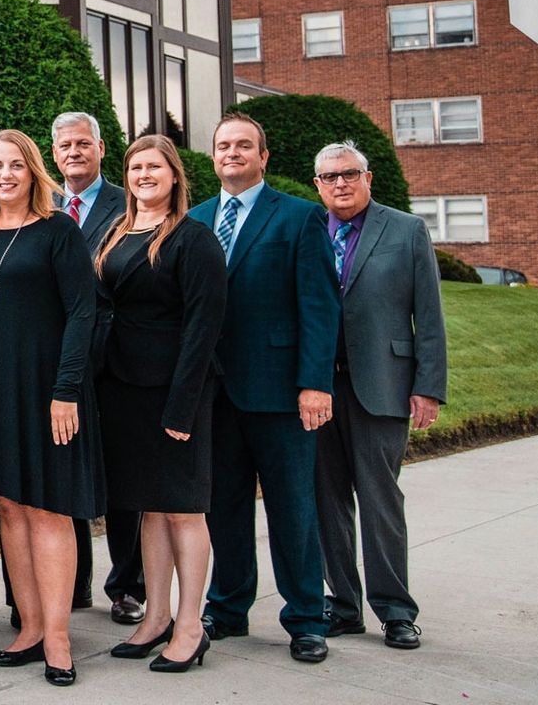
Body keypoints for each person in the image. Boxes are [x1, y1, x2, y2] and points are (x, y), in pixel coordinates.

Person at [187, 113, 340, 663]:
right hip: (216, 394)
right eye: (223, 145)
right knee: (222, 506)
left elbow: (320, 310)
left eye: (243, 145)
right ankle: (227, 608)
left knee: (292, 509)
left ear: (263, 156)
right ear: (213, 156)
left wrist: (314, 385)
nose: (232, 153)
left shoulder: (299, 218)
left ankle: (305, 618)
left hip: (280, 393)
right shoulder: (197, 219)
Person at [0, 129, 102, 688]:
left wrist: (66, 390)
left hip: (46, 390)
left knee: (48, 507)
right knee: (10, 508)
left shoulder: (59, 231)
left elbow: (83, 315)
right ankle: (31, 625)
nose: (5, 175)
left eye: (16, 165)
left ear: (33, 171)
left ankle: (59, 635)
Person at [92, 135, 226, 673]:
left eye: (154, 166)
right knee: (148, 504)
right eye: (136, 167)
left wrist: (182, 406)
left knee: (183, 507)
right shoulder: (117, 231)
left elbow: (203, 328)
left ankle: (191, 626)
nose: (144, 174)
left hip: (174, 390)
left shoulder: (194, 240)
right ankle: (156, 616)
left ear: (174, 175)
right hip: (122, 388)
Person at [310, 141, 446, 652]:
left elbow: (429, 315)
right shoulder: (308, 229)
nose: (340, 184)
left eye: (349, 174)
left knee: (380, 500)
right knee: (327, 500)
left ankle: (395, 610)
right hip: (318, 389)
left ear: (369, 177)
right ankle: (342, 606)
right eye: (329, 177)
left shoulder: (406, 230)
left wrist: (428, 387)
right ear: (317, 184)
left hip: (383, 386)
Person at [50, 111, 141, 624]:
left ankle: (126, 585)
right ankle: (75, 582)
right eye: (65, 145)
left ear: (101, 148)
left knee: (122, 476)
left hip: (113, 355)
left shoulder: (124, 203)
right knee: (66, 469)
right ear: (55, 152)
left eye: (83, 143)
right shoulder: (46, 205)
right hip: (60, 357)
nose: (74, 152)